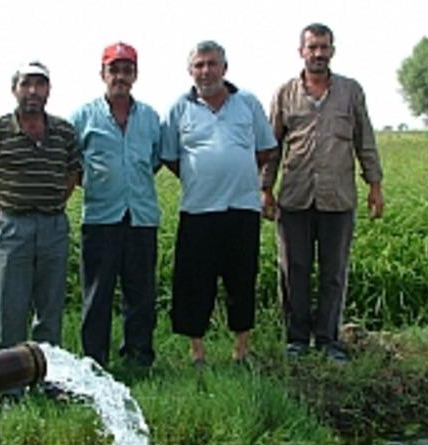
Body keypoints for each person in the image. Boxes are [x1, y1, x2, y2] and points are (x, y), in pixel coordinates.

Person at [261, 23, 384, 361]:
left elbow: (365, 140)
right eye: (312, 47)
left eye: (323, 47)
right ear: (301, 51)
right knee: (294, 269)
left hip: (338, 197)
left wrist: (374, 185)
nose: (318, 53)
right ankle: (297, 339)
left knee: (334, 271)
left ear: (332, 50)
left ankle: (329, 340)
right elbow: (272, 146)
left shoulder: (350, 91)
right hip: (295, 196)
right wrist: (265, 189)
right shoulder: (285, 93)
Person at [161, 40, 277, 365]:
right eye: (199, 65)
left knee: (242, 279)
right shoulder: (179, 108)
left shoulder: (247, 103)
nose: (206, 71)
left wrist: (238, 170)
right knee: (194, 282)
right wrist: (200, 174)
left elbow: (265, 148)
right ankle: (197, 351)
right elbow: (169, 156)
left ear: (225, 68)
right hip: (198, 209)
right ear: (190, 71)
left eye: (212, 64)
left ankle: (241, 349)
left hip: (242, 208)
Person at [0, 60, 82, 359]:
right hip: (13, 227)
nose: (33, 91)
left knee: (50, 310)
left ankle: (48, 374)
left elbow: (73, 174)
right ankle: (8, 379)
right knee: (9, 309)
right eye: (26, 84)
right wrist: (0, 216)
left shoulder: (64, 132)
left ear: (49, 90)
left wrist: (54, 203)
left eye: (40, 84)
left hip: (53, 227)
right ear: (14, 90)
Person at [70, 42, 162, 368]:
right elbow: (71, 163)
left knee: (141, 294)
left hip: (141, 217)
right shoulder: (83, 116)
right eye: (114, 69)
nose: (120, 76)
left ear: (135, 74)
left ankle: (138, 358)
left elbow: (154, 160)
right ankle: (94, 362)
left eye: (127, 70)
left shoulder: (150, 117)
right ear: (102, 73)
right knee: (98, 294)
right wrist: (101, 184)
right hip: (100, 218)